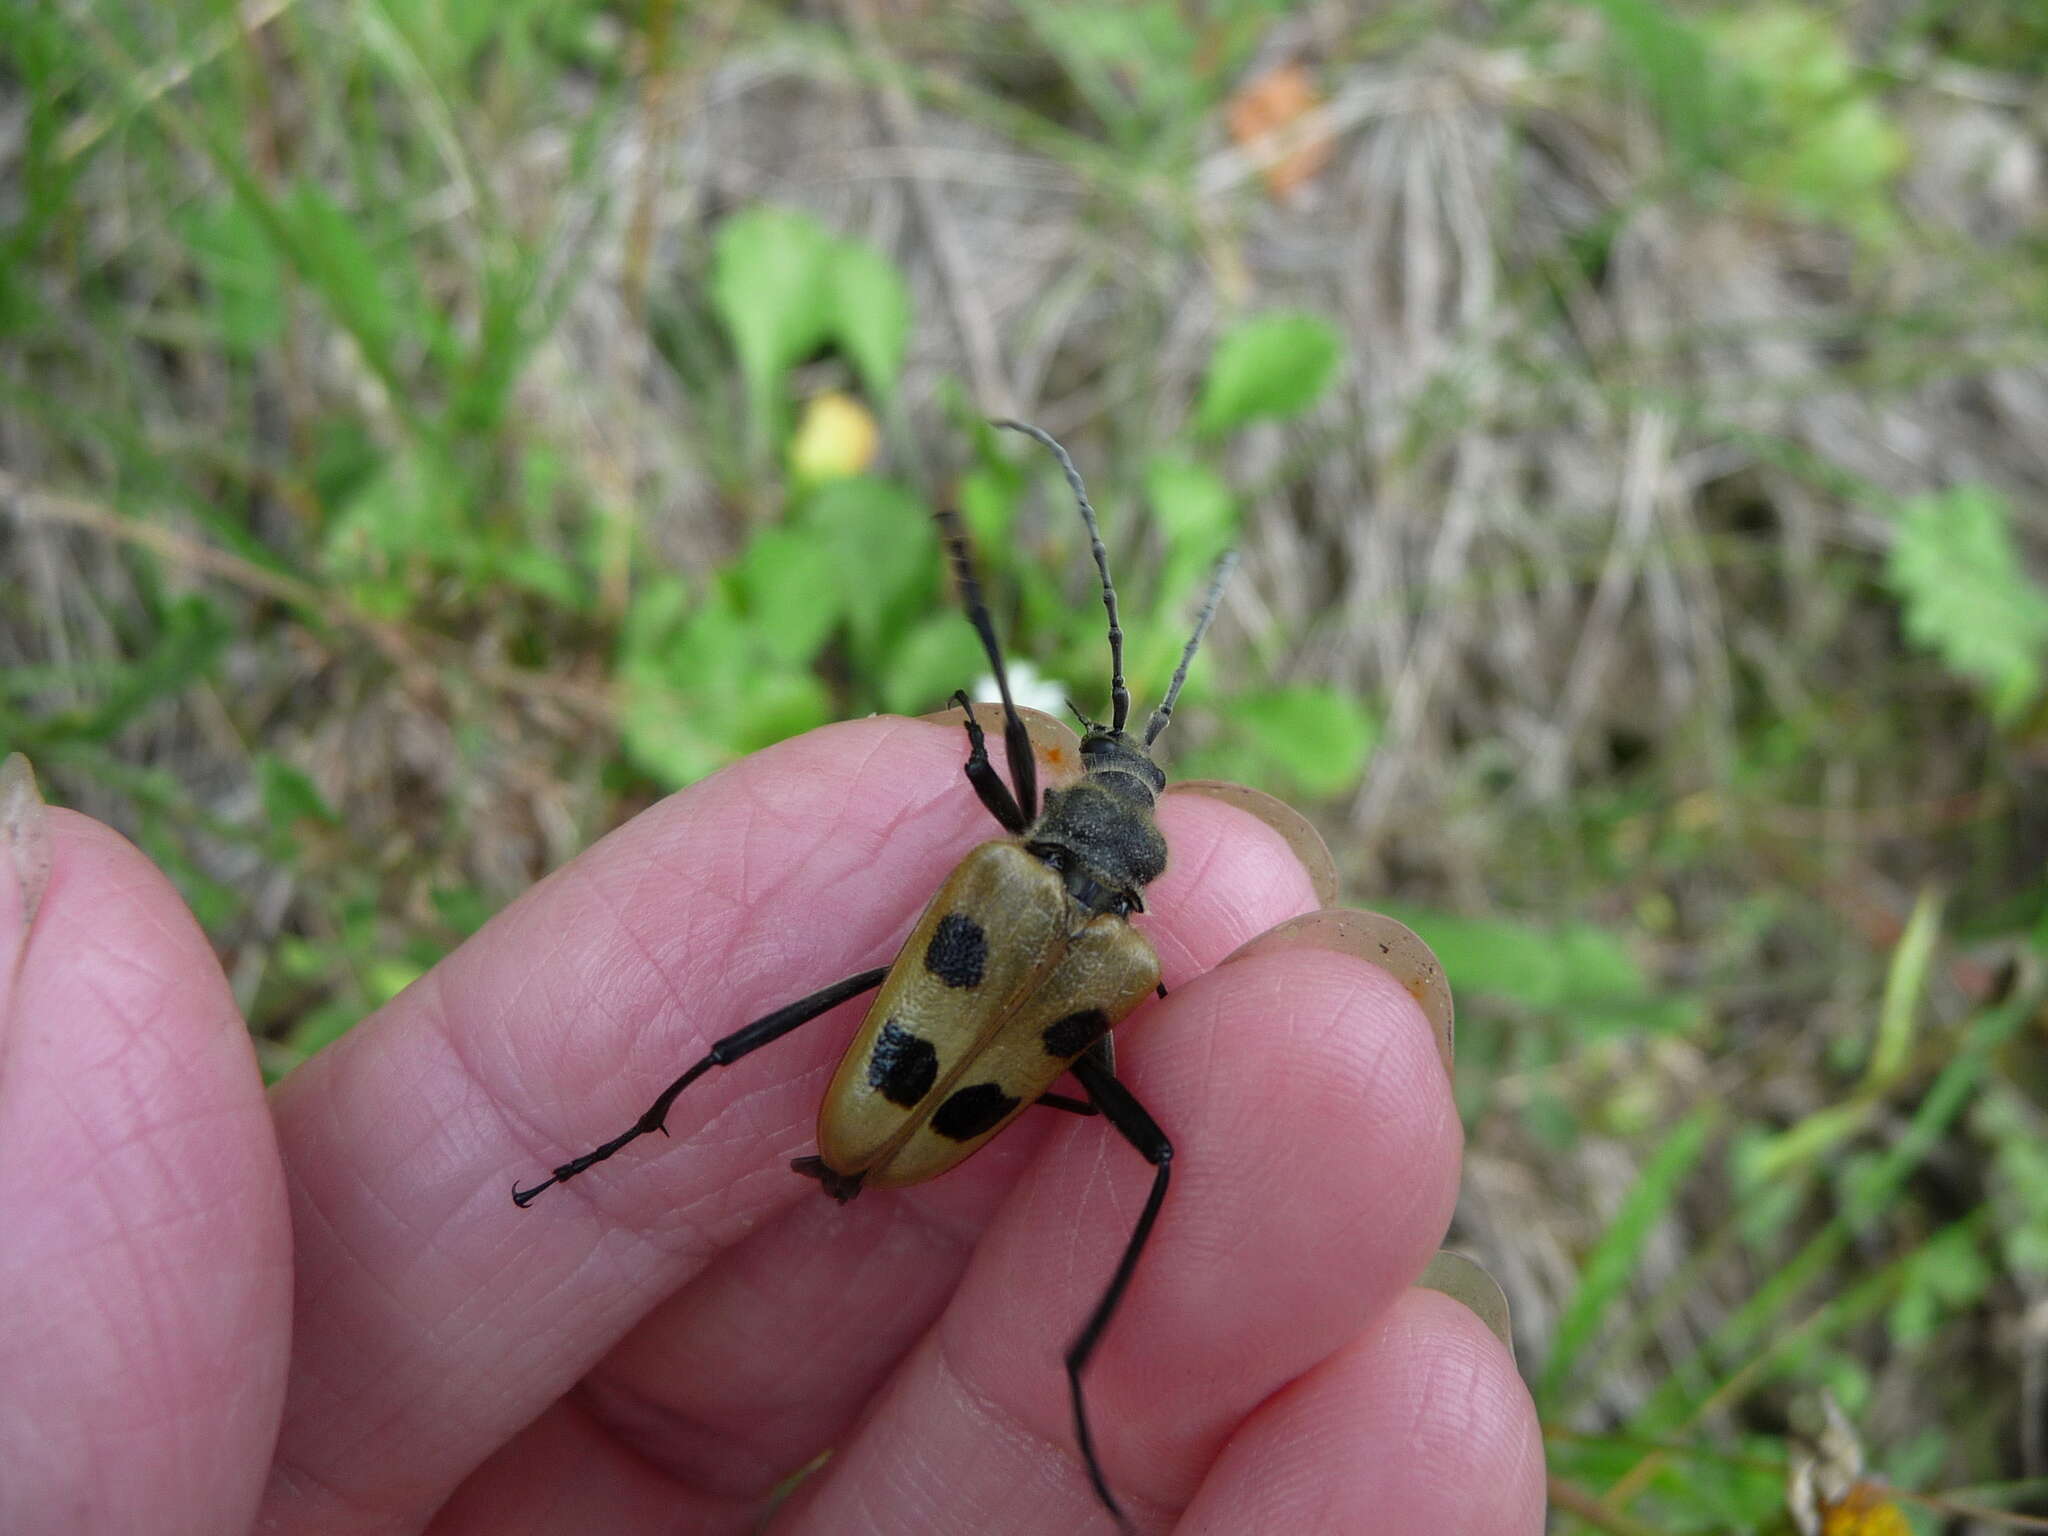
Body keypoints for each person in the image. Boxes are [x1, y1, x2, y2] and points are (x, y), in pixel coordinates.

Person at [0, 715, 1544, 1533]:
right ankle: (1074, 1355)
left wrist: (978, 706)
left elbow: (968, 754)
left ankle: (620, 1143)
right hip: (917, 1116)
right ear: (1134, 849)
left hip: (889, 1095)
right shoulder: (1136, 961)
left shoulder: (1011, 870)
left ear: (1068, 809)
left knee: (779, 1017)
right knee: (1161, 1149)